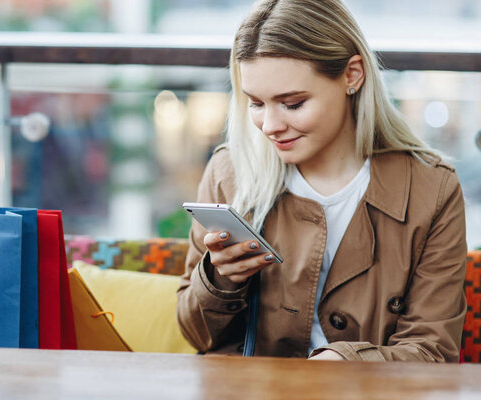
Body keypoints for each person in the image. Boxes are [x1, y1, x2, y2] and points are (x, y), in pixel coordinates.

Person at [176, 0, 467, 362]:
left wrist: (347, 363)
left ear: (353, 75)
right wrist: (221, 282)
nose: (269, 126)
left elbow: (431, 349)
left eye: (293, 103)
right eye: (256, 103)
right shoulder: (230, 174)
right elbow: (194, 336)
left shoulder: (432, 190)